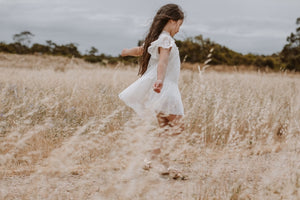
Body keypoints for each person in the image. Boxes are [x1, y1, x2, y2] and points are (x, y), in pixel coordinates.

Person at [119, 4, 185, 177]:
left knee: (166, 128)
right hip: (165, 88)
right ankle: (153, 160)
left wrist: (126, 52)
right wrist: (160, 80)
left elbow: (141, 51)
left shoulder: (156, 39)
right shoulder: (166, 40)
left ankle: (160, 164)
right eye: (179, 25)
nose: (179, 30)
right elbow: (163, 62)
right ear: (172, 21)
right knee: (177, 127)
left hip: (160, 88)